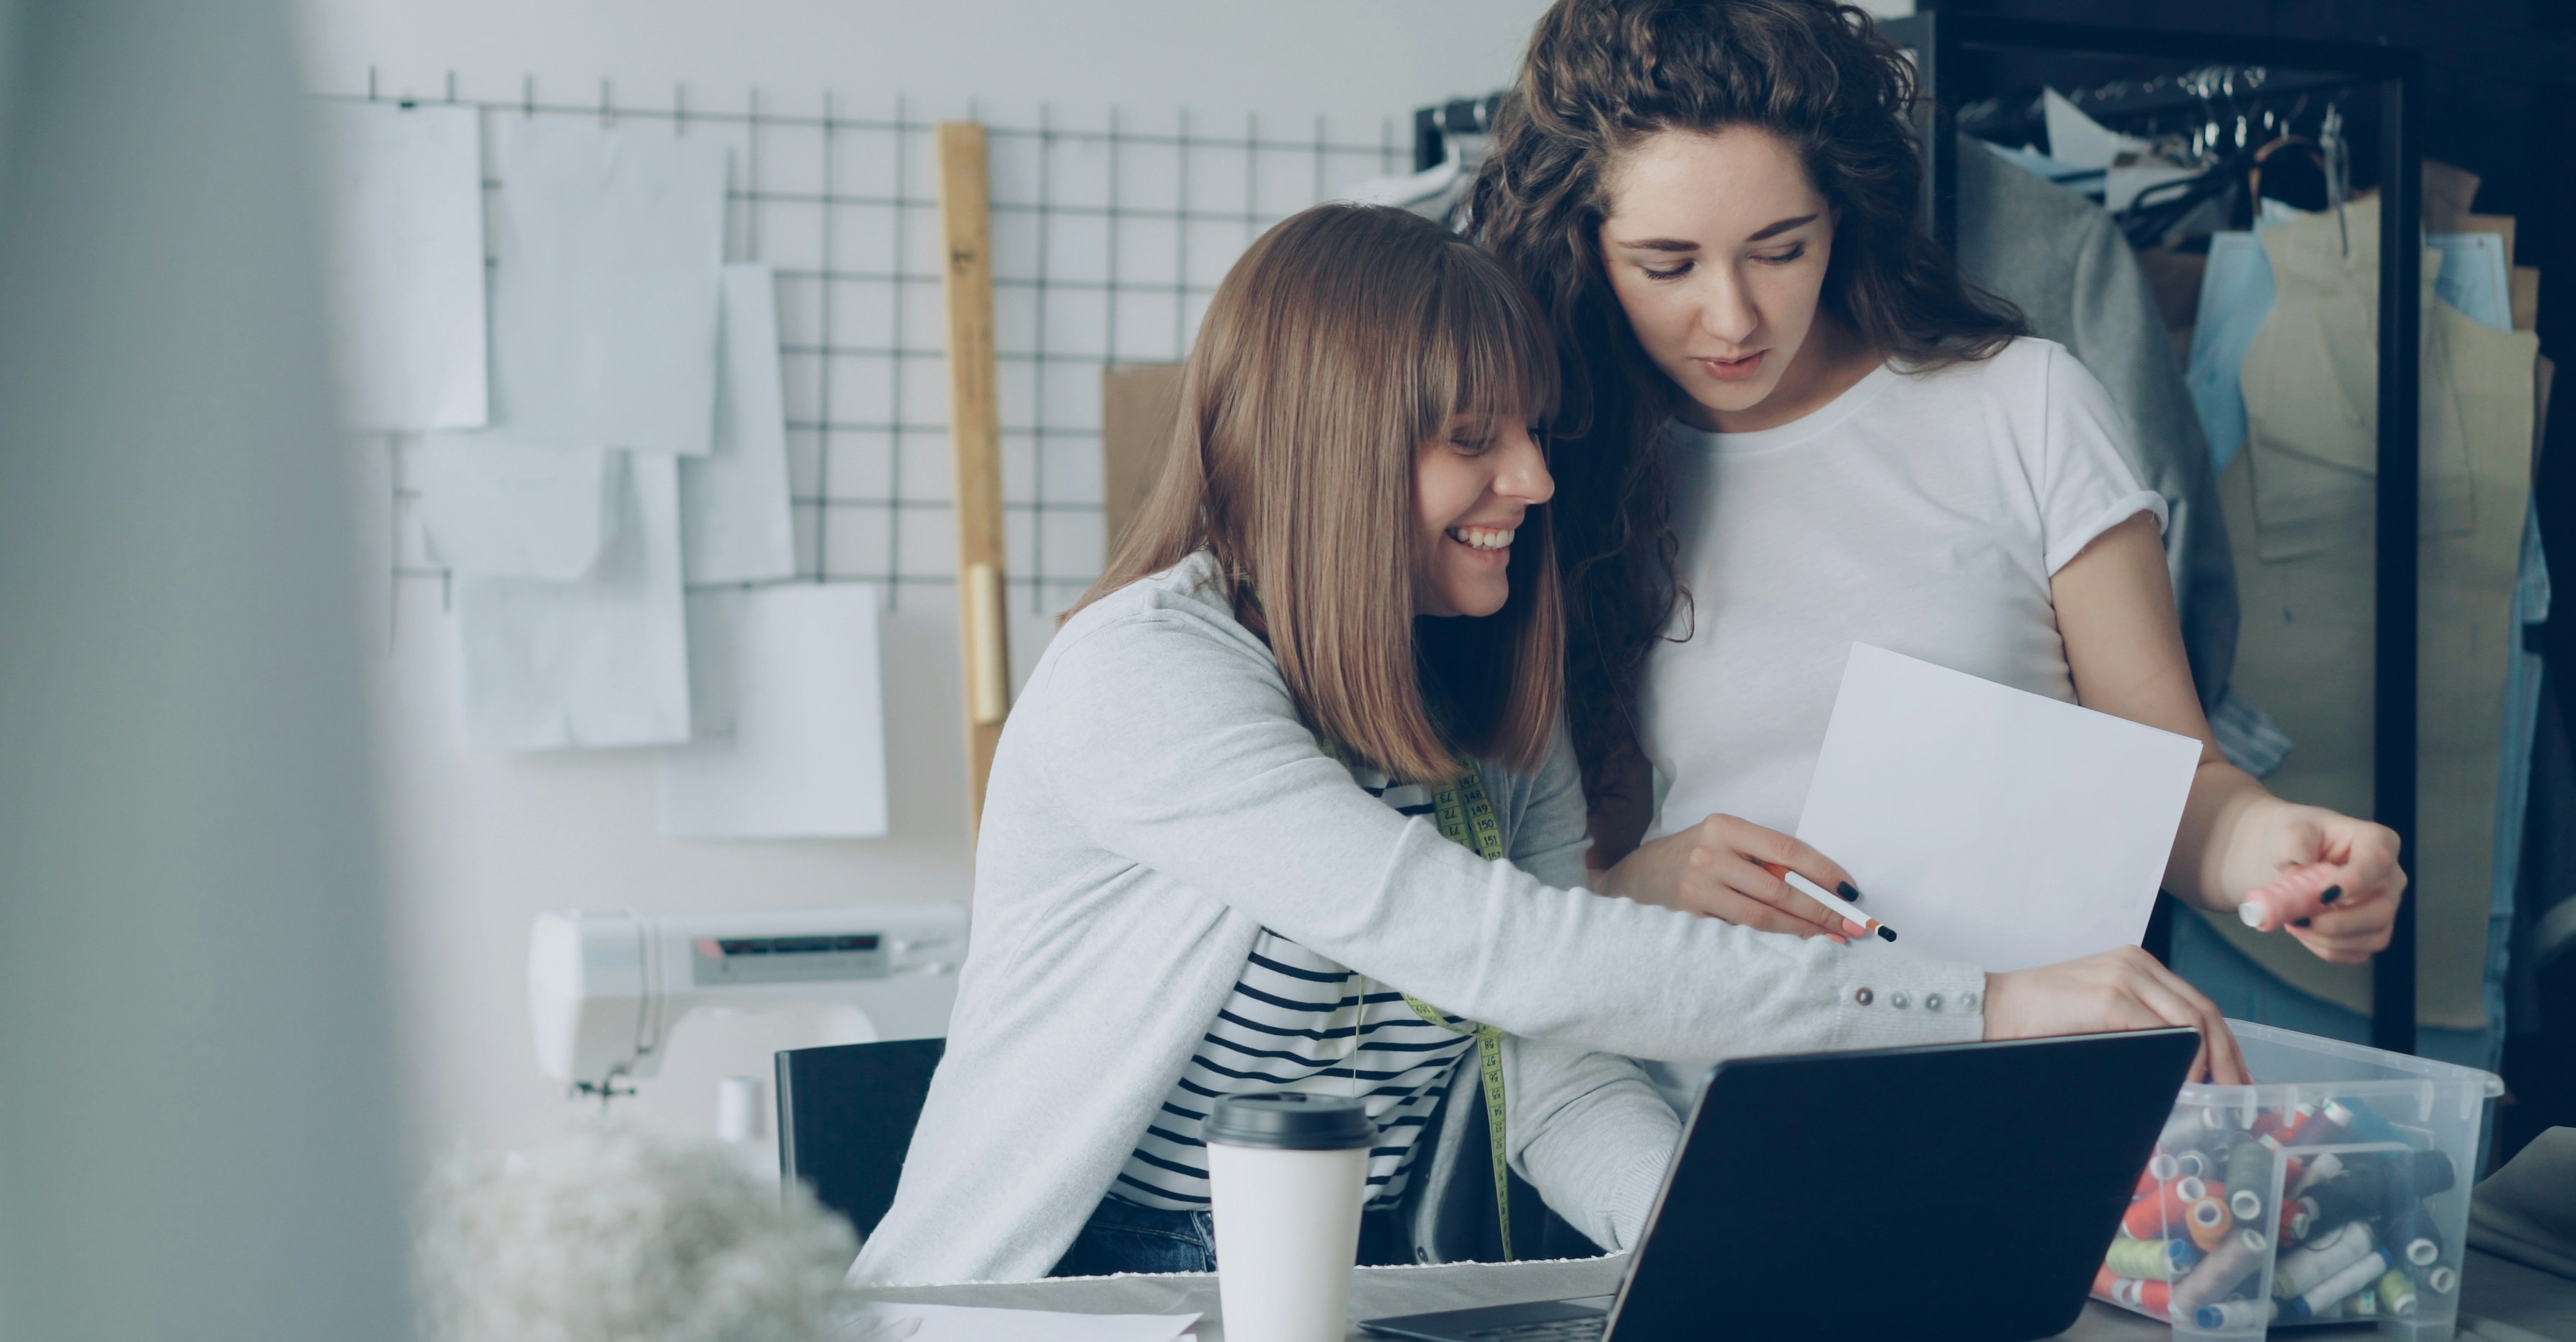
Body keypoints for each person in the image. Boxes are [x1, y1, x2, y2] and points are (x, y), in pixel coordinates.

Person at [852, 203, 2239, 1287]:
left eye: (1529, 429)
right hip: (1072, 1291)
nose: (1534, 479)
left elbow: (1556, 1059)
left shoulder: (1485, 693)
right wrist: (1985, 1002)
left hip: (1348, 1283)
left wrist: (1724, 1258)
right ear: (1333, 451)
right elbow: (1504, 949)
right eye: (1474, 441)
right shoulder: (1146, 675)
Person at [1466, 0, 2405, 978]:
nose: (1730, 317)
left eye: (1782, 248)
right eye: (1667, 264)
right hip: (1719, 1085)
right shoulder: (1565, 476)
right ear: (1585, 243)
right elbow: (1559, 883)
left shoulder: (2024, 405)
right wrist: (1634, 884)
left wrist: (2279, 849)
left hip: (2013, 1078)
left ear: (1845, 214)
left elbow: (2176, 793)